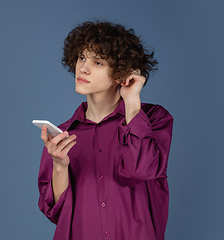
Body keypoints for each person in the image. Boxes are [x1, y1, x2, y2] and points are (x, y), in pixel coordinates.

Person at [37, 21, 173, 240]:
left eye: (97, 62)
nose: (83, 68)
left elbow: (141, 171)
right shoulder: (61, 136)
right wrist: (60, 166)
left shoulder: (154, 119)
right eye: (81, 57)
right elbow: (57, 213)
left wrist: (131, 101)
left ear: (120, 73)